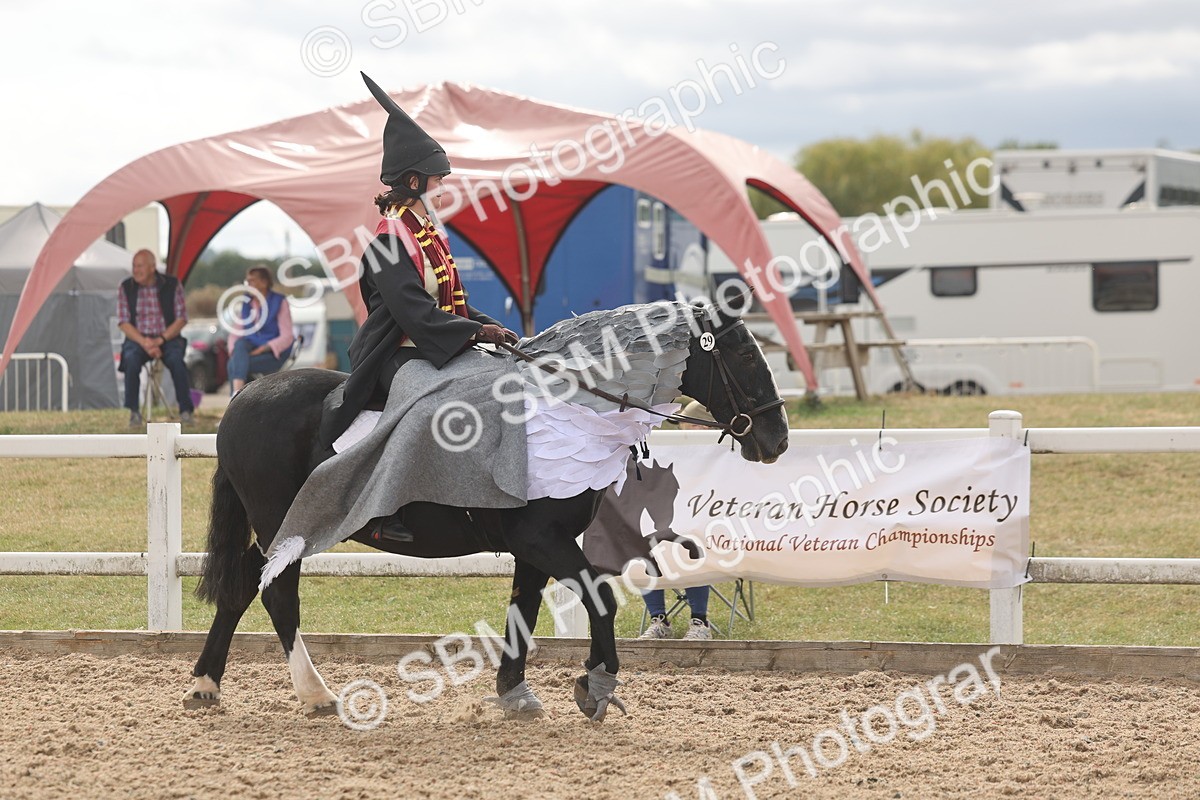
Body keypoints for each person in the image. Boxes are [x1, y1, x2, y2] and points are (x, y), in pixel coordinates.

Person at [319, 72, 517, 449]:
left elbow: (448, 305)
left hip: (426, 347)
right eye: (438, 181)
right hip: (394, 357)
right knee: (441, 406)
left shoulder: (427, 235)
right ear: (414, 183)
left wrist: (492, 328)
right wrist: (475, 333)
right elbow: (414, 313)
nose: (444, 191)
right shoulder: (389, 243)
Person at [639, 399, 716, 640]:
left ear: (700, 428)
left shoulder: (722, 457)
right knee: (643, 544)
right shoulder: (674, 452)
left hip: (706, 528)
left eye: (685, 423)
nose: (680, 428)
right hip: (672, 525)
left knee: (692, 546)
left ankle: (700, 621)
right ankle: (658, 618)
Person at [117, 249, 194, 427]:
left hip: (167, 338)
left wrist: (160, 340)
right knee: (131, 359)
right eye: (134, 266)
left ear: (152, 267)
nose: (135, 270)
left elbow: (181, 318)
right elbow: (123, 322)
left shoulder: (172, 284)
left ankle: (186, 410)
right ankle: (133, 412)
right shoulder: (126, 287)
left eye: (140, 266)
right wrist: (145, 342)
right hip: (138, 339)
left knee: (176, 361)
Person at [227, 267, 295, 396]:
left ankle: (236, 398)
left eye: (252, 281)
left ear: (264, 283)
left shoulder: (279, 302)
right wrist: (235, 353)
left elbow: (287, 336)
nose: (248, 285)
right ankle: (238, 395)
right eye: (247, 281)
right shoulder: (247, 303)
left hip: (273, 353)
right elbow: (235, 333)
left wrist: (264, 348)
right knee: (239, 346)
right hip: (250, 348)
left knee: (233, 365)